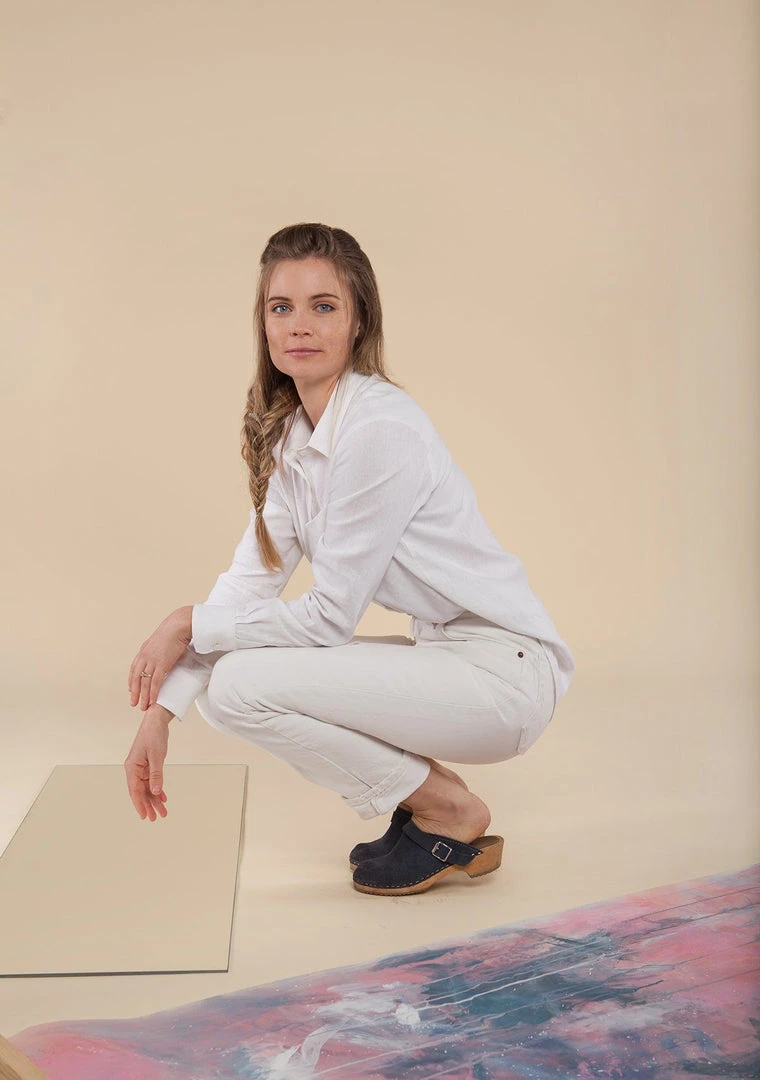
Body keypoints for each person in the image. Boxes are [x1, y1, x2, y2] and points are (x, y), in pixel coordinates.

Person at [124, 222, 575, 896]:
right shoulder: (295, 438)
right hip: (448, 657)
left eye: (324, 306)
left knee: (239, 686)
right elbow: (247, 588)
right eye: (282, 307)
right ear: (263, 323)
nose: (300, 325)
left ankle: (446, 809)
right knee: (224, 685)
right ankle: (428, 798)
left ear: (358, 319)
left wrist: (185, 622)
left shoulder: (378, 428)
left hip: (503, 678)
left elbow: (330, 618)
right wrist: (161, 715)